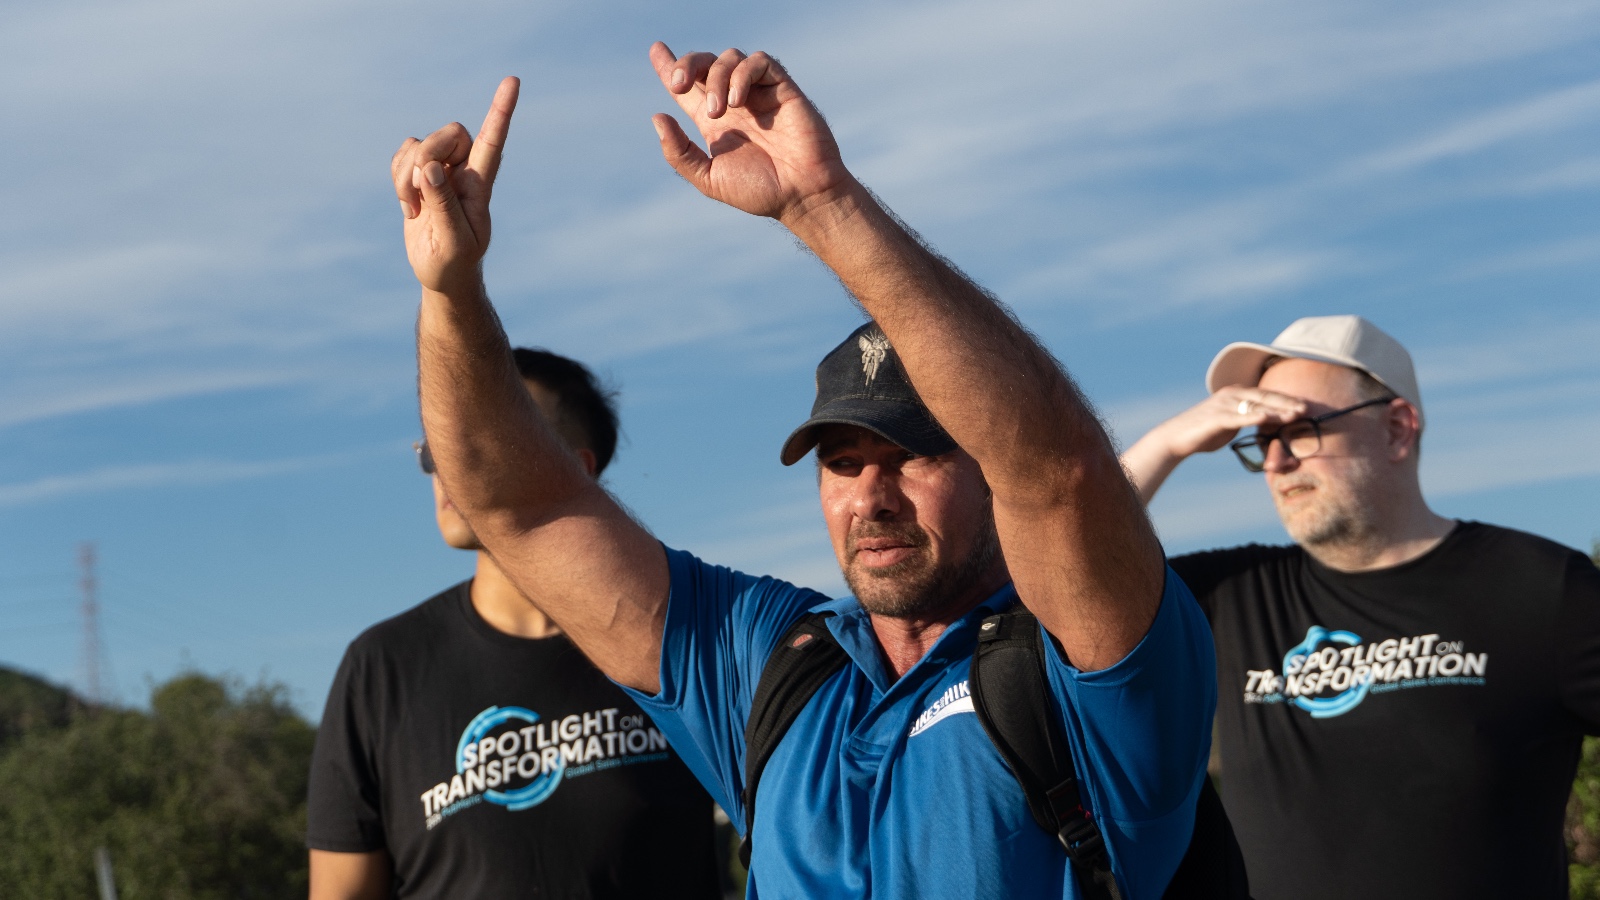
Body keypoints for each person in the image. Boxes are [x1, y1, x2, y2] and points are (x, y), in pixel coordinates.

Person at [384, 45, 1217, 899]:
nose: (871, 497)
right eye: (843, 463)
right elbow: (522, 509)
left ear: (988, 468)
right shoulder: (775, 664)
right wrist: (451, 292)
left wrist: (823, 205)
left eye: (912, 456)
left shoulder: (1083, 669)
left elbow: (1060, 472)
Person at [1119, 314, 1600, 900]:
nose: (1275, 463)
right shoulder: (1228, 593)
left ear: (1397, 429)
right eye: (1261, 439)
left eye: (1297, 429)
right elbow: (1048, 576)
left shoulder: (1542, 589)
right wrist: (1168, 442)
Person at [305, 348, 722, 899]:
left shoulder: (679, 639)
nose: (452, 460)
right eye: (438, 443)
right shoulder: (380, 669)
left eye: (489, 430)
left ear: (580, 468)